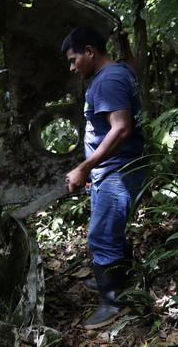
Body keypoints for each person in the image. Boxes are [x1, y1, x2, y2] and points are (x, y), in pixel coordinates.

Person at [60, 27, 146, 330]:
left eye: (73, 60)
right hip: (113, 168)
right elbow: (135, 69)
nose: (72, 68)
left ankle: (114, 302)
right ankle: (122, 279)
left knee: (101, 235)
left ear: (90, 52)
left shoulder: (107, 81)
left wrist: (83, 167)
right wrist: (124, 43)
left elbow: (121, 128)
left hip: (118, 170)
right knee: (110, 230)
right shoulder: (119, 70)